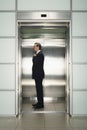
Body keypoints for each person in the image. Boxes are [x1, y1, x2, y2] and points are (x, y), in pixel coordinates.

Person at [32, 42, 45, 109]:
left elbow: (36, 63)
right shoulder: (38, 54)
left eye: (34, 46)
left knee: (39, 90)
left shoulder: (40, 54)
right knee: (38, 89)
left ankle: (40, 104)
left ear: (38, 47)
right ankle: (39, 102)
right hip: (38, 75)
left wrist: (34, 57)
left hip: (39, 75)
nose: (33, 48)